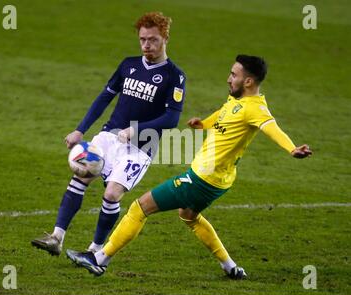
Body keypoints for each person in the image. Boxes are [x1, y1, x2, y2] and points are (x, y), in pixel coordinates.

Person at [66, 54, 312, 279]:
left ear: (248, 81)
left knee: (139, 208)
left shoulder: (256, 109)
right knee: (189, 216)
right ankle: (230, 267)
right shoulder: (238, 101)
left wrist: (291, 148)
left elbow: (271, 127)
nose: (229, 79)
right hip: (219, 181)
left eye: (234, 75)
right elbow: (224, 114)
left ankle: (99, 259)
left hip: (200, 179)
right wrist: (203, 124)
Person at [31, 12, 186, 256]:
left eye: (153, 40)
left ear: (165, 38)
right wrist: (80, 130)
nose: (147, 45)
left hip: (140, 147)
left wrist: (134, 130)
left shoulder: (174, 76)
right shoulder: (128, 65)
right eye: (143, 39)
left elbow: (172, 119)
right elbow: (104, 97)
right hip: (107, 138)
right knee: (80, 175)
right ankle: (56, 238)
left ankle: (95, 250)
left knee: (112, 193)